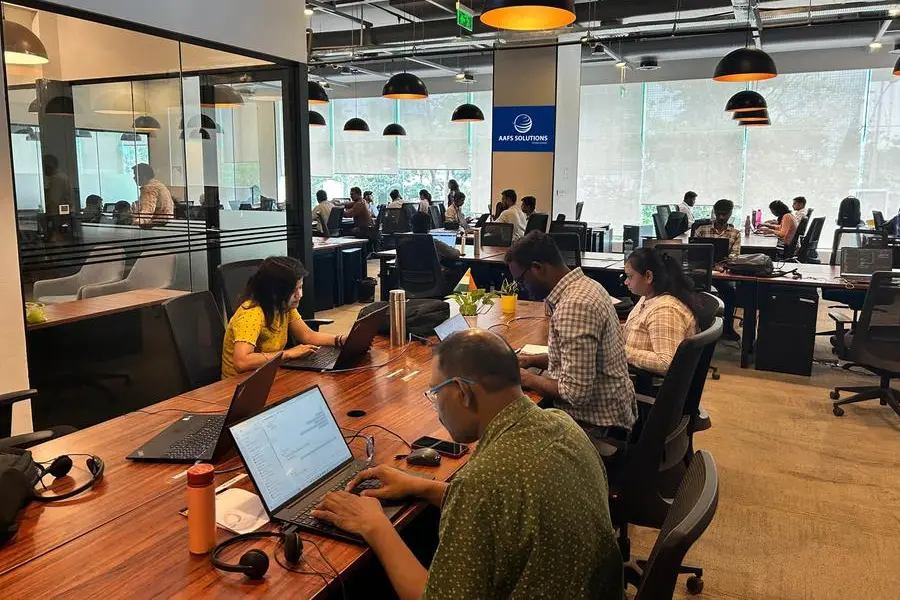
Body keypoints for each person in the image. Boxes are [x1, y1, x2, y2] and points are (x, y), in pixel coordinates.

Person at [312, 329, 624, 599]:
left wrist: (375, 526)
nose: (436, 407)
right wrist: (424, 487)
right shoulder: (563, 425)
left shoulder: (481, 482)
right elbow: (508, 509)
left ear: (462, 392)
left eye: (435, 393)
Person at [506, 232, 636, 447]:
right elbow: (579, 362)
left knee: (507, 434)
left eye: (521, 280)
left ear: (537, 268)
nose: (521, 287)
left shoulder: (574, 306)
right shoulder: (587, 286)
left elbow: (575, 393)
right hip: (608, 414)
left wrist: (525, 378)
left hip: (594, 427)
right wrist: (532, 360)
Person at [221, 257, 345, 379]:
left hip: (268, 373)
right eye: (293, 290)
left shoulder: (283, 306)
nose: (299, 295)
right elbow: (242, 362)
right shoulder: (252, 313)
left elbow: (307, 335)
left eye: (300, 287)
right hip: (239, 383)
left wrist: (340, 340)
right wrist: (287, 353)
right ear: (274, 292)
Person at [623, 248, 699, 374]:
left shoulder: (665, 310)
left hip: (646, 380)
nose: (626, 282)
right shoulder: (648, 297)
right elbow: (638, 327)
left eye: (630, 277)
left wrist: (621, 351)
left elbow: (666, 363)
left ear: (648, 276)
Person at [694, 199, 741, 341]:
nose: (721, 217)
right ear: (714, 212)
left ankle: (727, 328)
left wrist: (722, 264)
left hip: (722, 273)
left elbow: (734, 256)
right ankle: (697, 327)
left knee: (730, 292)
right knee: (692, 290)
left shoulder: (735, 233)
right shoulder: (702, 230)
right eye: (718, 214)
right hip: (702, 272)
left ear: (730, 214)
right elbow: (693, 253)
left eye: (724, 214)